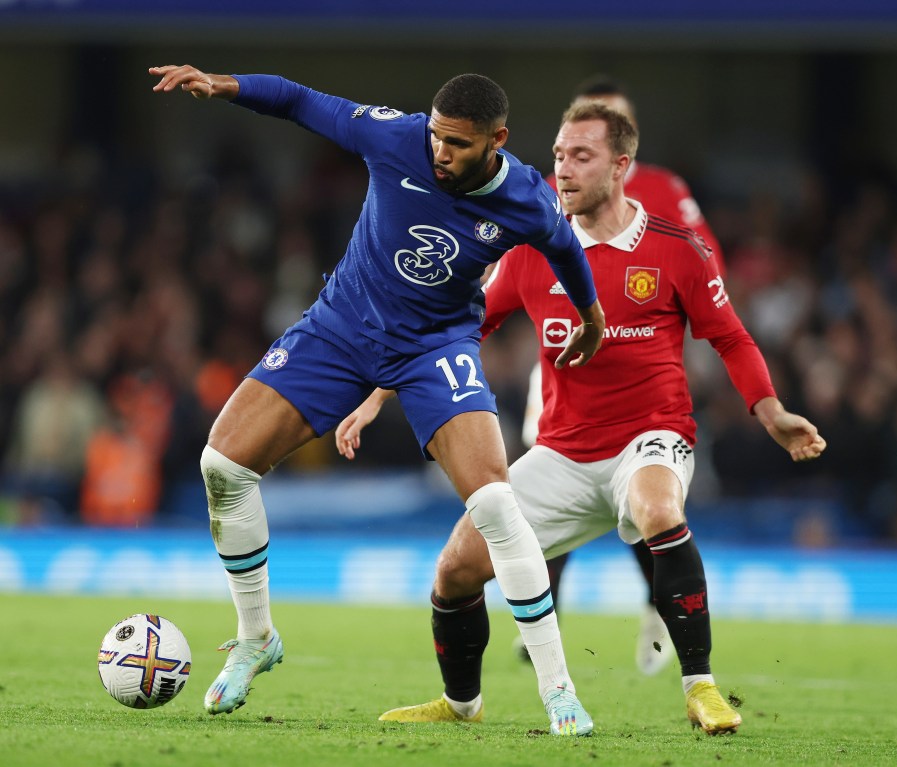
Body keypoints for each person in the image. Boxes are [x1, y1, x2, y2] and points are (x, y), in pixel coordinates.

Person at [337, 101, 826, 735]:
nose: (562, 169)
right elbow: (453, 330)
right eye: (559, 155)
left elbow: (730, 337)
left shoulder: (679, 251)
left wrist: (772, 411)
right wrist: (376, 397)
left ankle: (700, 686)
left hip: (649, 440)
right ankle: (461, 704)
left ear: (621, 166)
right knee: (455, 568)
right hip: (562, 452)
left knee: (659, 510)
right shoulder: (532, 252)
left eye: (581, 156)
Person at [148, 64, 606, 736]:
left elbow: (565, 247)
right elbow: (302, 100)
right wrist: (224, 85)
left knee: (497, 504)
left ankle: (559, 690)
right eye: (437, 137)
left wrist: (590, 313)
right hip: (341, 328)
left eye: (457, 144)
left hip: (434, 347)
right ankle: (257, 638)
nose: (440, 152)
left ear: (496, 140)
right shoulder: (397, 138)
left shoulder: (529, 199)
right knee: (222, 465)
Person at [531, 75, 728, 676]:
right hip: (561, 363)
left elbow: (706, 256)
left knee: (647, 499)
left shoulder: (664, 190)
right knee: (544, 498)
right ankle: (545, 622)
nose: (575, 161)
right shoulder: (548, 192)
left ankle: (656, 603)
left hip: (646, 346)